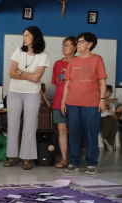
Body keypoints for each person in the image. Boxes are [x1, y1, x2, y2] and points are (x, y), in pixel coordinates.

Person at [3, 26, 50, 170]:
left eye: (27, 35)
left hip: (32, 94)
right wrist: (29, 75)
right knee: (13, 125)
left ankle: (27, 158)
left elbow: (37, 79)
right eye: (23, 35)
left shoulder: (43, 55)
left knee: (30, 126)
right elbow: (11, 73)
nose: (24, 38)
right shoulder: (18, 51)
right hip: (14, 92)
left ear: (35, 37)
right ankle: (12, 157)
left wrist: (21, 73)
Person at [61, 32, 107, 175]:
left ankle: (92, 163)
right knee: (74, 133)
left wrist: (102, 99)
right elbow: (67, 83)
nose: (78, 44)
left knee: (91, 133)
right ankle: (74, 161)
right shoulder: (73, 62)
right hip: (72, 102)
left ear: (90, 44)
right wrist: (63, 102)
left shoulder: (97, 59)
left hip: (92, 103)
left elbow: (102, 82)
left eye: (81, 41)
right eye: (78, 41)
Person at [51, 36, 76, 168]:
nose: (64, 47)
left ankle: (74, 159)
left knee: (74, 130)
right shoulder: (57, 64)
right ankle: (64, 159)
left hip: (74, 101)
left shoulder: (79, 63)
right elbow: (57, 83)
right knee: (61, 130)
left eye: (68, 45)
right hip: (58, 101)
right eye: (63, 45)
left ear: (75, 47)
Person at [100, 85, 119, 151]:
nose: (110, 93)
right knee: (110, 121)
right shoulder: (98, 99)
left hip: (109, 118)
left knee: (115, 123)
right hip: (100, 117)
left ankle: (109, 143)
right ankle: (108, 141)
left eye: (111, 92)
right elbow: (104, 102)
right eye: (109, 91)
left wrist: (116, 117)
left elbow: (113, 114)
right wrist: (113, 99)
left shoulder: (111, 104)